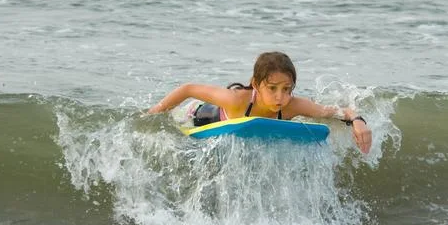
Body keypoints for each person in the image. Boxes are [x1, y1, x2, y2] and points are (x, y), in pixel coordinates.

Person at [145, 52, 373, 154]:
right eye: (272, 88)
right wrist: (153, 113)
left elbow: (332, 112)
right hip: (195, 115)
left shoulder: (291, 105)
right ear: (256, 84)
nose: (280, 97)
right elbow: (187, 89)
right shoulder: (235, 99)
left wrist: (357, 120)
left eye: (287, 89)